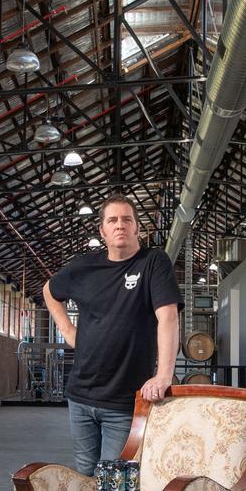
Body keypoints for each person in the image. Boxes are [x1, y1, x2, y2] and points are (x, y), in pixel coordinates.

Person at [43, 194, 181, 475]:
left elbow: (168, 317)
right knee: (84, 472)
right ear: (103, 231)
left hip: (123, 399)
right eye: (113, 220)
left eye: (127, 219)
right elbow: (49, 290)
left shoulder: (153, 262)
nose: (120, 225)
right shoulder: (84, 267)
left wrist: (164, 375)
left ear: (137, 229)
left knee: (114, 477)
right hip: (80, 394)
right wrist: (68, 330)